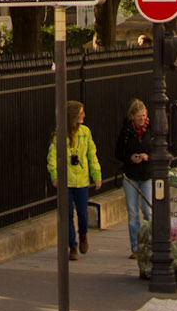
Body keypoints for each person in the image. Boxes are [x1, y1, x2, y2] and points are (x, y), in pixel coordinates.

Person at [47, 99, 101, 259]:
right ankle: (73, 245)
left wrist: (96, 175)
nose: (83, 115)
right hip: (66, 181)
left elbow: (92, 154)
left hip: (82, 181)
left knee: (83, 214)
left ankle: (83, 234)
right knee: (67, 215)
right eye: (80, 113)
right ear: (73, 116)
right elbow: (52, 156)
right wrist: (55, 176)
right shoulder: (60, 134)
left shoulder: (85, 132)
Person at [114, 98, 153, 258]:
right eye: (139, 117)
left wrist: (147, 156)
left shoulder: (151, 130)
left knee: (148, 211)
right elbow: (118, 152)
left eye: (144, 116)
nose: (142, 119)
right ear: (132, 117)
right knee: (132, 213)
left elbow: (160, 148)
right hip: (131, 175)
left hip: (147, 174)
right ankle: (136, 248)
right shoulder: (126, 132)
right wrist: (130, 158)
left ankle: (151, 244)